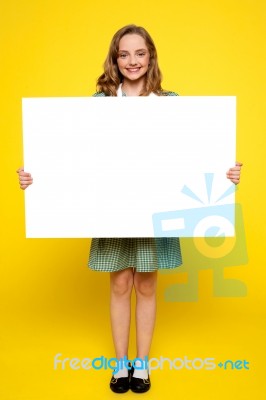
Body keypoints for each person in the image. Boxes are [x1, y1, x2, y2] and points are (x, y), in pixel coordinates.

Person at [17, 24, 243, 394]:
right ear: (115, 59)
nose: (132, 61)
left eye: (140, 53)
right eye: (124, 54)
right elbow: (73, 159)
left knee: (147, 284)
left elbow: (192, 156)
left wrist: (226, 175)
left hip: (157, 212)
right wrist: (36, 179)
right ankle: (120, 364)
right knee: (120, 283)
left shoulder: (171, 103)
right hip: (111, 210)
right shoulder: (100, 104)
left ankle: (143, 365)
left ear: (151, 56)